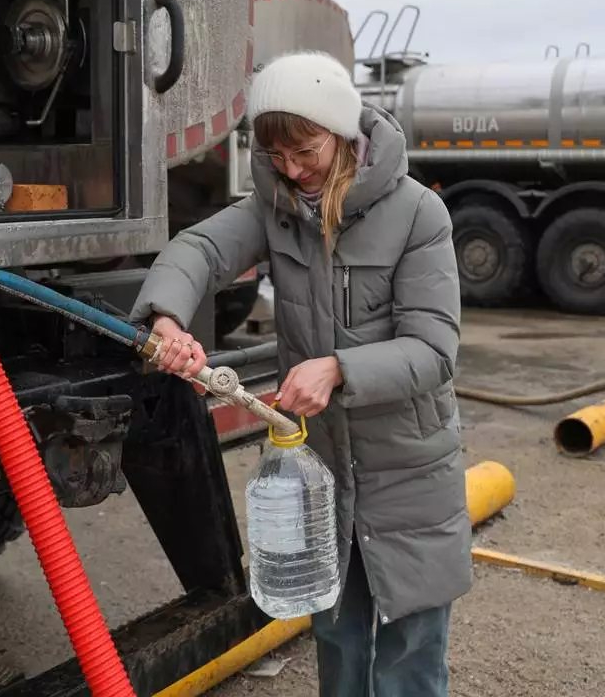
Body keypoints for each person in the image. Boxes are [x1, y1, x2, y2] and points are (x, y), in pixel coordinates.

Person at [129, 50, 469, 696]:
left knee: (411, 648)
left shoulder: (418, 213)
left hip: (408, 465)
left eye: (305, 151)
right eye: (277, 155)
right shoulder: (275, 205)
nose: (291, 169)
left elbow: (434, 350)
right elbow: (198, 248)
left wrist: (338, 369)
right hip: (321, 466)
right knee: (336, 635)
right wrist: (167, 318)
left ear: (340, 133)